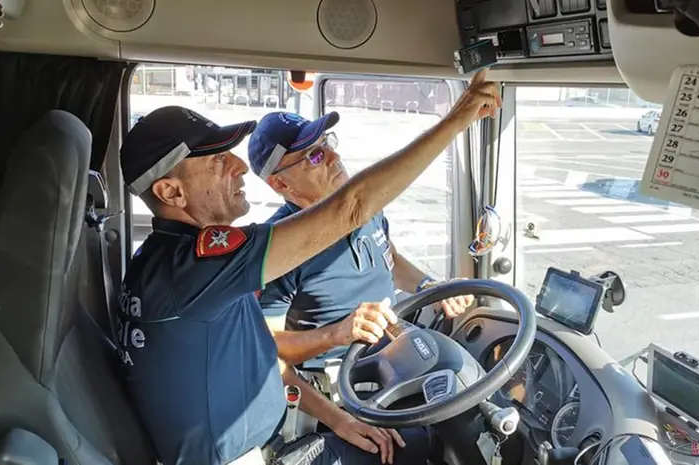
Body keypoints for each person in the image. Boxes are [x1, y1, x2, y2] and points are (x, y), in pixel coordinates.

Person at [117, 70, 501, 465]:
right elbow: (352, 207)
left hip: (274, 438)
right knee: (429, 446)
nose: (239, 166)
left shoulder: (175, 262)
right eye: (218, 160)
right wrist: (459, 118)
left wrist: (338, 420)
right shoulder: (196, 265)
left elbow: (264, 354)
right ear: (171, 192)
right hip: (251, 455)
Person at [248, 110, 475, 367]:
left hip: (394, 356)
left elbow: (390, 260)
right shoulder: (277, 245)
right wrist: (336, 334)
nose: (335, 157)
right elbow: (267, 342)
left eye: (327, 144)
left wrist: (430, 287)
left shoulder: (365, 207)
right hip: (335, 380)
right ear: (280, 184)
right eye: (315, 156)